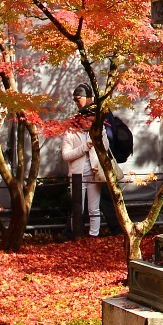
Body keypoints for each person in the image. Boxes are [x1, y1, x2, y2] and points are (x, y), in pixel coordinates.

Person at [63, 98, 102, 239]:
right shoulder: (70, 133)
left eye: (92, 121)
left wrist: (100, 138)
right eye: (87, 120)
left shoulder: (97, 131)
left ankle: (94, 235)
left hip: (94, 173)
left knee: (94, 208)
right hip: (77, 175)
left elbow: (106, 149)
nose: (89, 123)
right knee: (77, 208)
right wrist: (84, 147)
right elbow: (66, 155)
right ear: (81, 119)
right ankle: (76, 234)